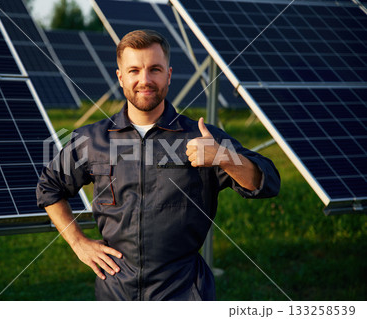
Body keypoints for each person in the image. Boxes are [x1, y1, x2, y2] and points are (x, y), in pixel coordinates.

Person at [36, 30, 280, 301]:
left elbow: (267, 181)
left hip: (184, 292)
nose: (145, 80)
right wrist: (79, 243)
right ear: (120, 77)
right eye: (134, 70)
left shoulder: (202, 138)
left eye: (154, 69)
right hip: (115, 292)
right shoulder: (92, 140)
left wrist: (223, 156)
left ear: (169, 75)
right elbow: (49, 187)